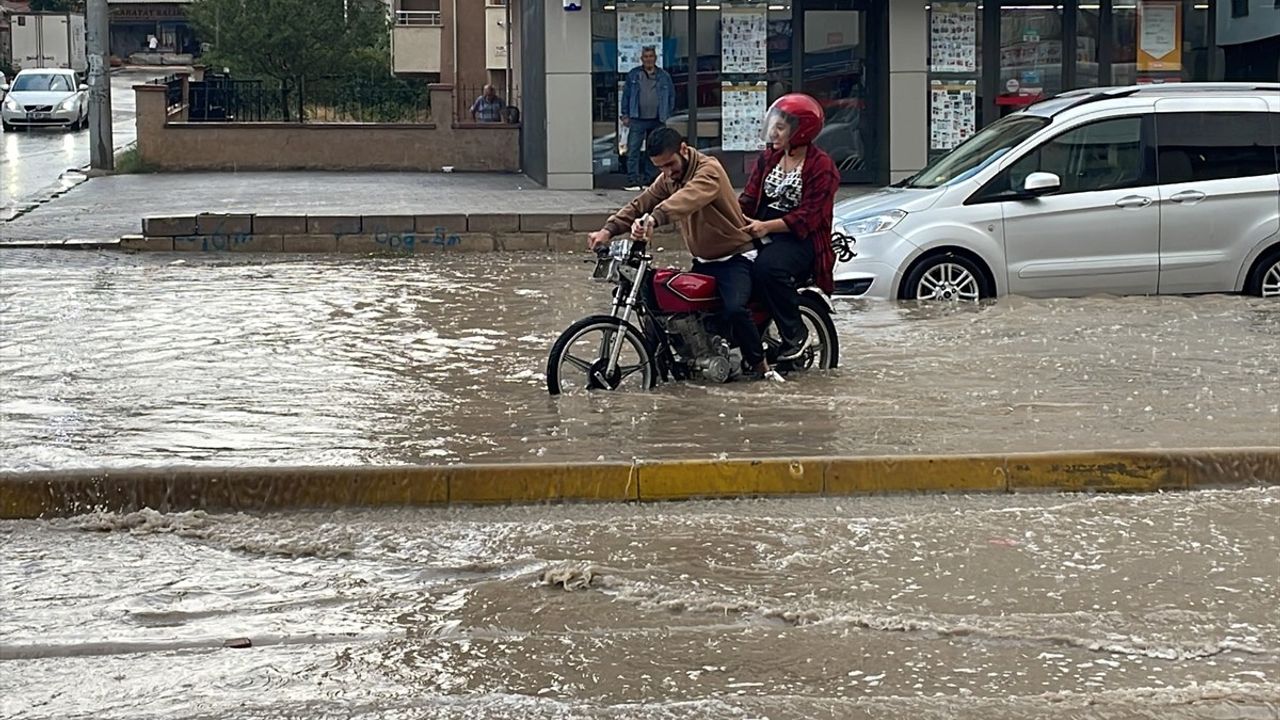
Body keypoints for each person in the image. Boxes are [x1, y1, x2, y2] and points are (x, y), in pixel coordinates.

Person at [588, 127, 781, 382]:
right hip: (703, 261)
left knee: (735, 309)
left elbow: (686, 200)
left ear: (683, 149)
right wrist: (608, 230)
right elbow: (642, 202)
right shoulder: (668, 177)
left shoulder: (708, 170)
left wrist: (654, 219)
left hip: (736, 257)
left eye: (670, 164)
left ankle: (762, 367)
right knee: (667, 308)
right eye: (660, 168)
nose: (667, 172)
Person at [738, 93, 840, 362]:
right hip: (763, 227)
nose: (774, 132)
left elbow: (809, 217)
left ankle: (795, 333)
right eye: (774, 125)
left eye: (781, 127)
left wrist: (766, 227)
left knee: (768, 268)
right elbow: (748, 198)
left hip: (800, 239)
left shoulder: (822, 167)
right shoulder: (768, 158)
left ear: (800, 131)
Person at [619, 46, 675, 191]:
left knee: (654, 150)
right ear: (642, 59)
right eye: (646, 57)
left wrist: (667, 113)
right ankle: (633, 180)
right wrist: (625, 114)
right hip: (637, 118)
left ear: (655, 58)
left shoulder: (664, 76)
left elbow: (671, 96)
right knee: (633, 150)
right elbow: (626, 96)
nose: (648, 59)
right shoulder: (633, 75)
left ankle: (650, 180)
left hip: (657, 119)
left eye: (651, 56)